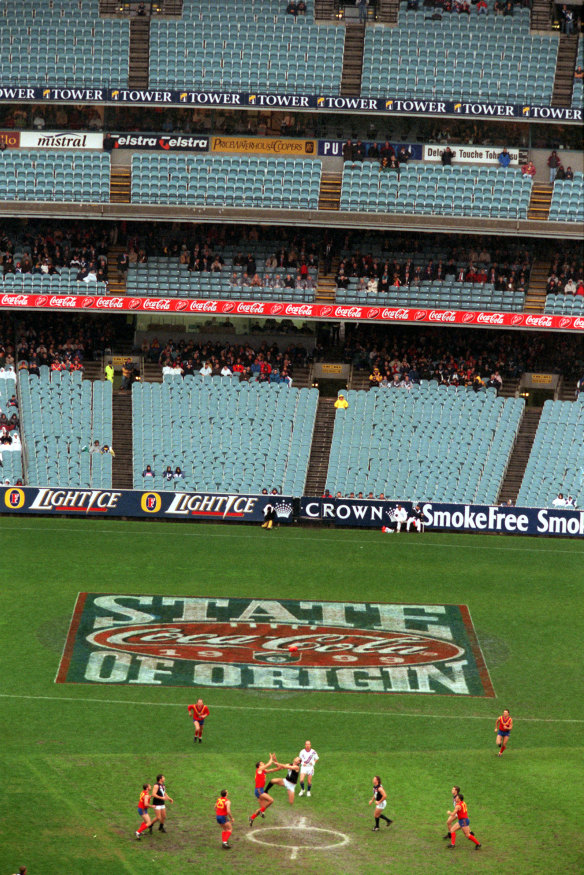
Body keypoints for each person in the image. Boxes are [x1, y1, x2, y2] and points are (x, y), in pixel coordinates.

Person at [249, 753, 279, 825]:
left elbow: (271, 770)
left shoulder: (263, 771)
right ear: (259, 766)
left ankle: (252, 818)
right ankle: (262, 811)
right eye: (262, 763)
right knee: (271, 800)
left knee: (262, 807)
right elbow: (268, 765)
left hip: (259, 790)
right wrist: (271, 758)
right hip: (259, 790)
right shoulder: (259, 770)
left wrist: (279, 767)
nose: (264, 764)